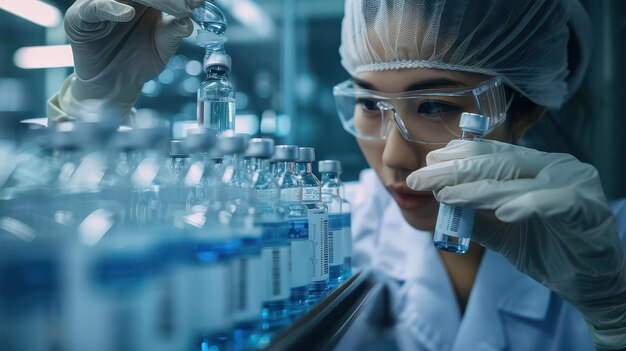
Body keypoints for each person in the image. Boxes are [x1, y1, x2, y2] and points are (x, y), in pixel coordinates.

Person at [47, 0, 626, 350]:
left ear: (526, 112)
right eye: (370, 105)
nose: (395, 158)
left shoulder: (608, 254)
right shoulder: (325, 223)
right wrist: (96, 108)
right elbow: (103, 264)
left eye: (436, 107)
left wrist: (614, 321)